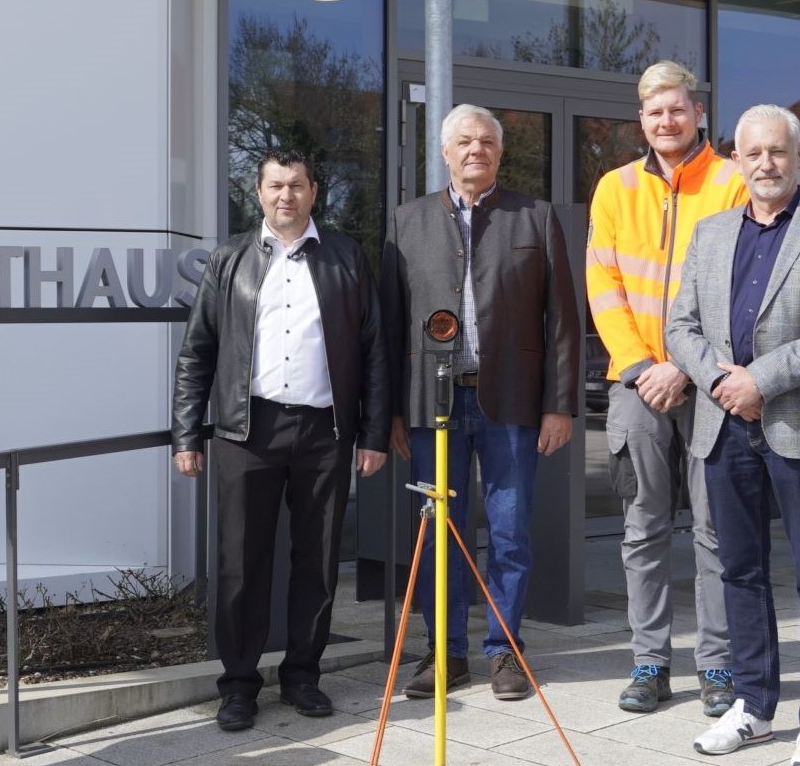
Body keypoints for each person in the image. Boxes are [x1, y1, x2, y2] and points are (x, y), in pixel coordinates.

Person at [666, 105, 800, 765]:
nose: (766, 163)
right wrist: (722, 383)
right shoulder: (711, 232)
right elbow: (680, 326)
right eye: (752, 153)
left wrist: (760, 381)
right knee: (740, 569)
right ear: (737, 160)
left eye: (778, 151)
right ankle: (752, 704)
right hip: (722, 425)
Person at [172, 151, 390, 731]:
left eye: (296, 185)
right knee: (240, 563)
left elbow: (373, 351)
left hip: (324, 431)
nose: (285, 196)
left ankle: (302, 676)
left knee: (317, 561)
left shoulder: (345, 257)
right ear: (259, 191)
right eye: (275, 185)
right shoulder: (229, 259)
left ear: (313, 191)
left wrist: (372, 433)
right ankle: (238, 685)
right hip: (247, 430)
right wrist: (186, 433)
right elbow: (197, 352)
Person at [381, 103, 581, 701]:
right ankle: (445, 653)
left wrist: (559, 404)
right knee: (438, 534)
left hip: (512, 403)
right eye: (464, 141)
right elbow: (389, 325)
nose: (476, 150)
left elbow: (562, 321)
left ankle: (505, 651)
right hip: (430, 406)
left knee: (511, 532)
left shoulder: (535, 217)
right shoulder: (408, 221)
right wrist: (391, 410)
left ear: (500, 152)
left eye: (487, 142)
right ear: (445, 152)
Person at [586, 61, 746, 716]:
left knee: (716, 530)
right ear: (642, 120)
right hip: (636, 384)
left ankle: (718, 666)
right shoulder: (614, 188)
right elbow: (603, 286)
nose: (667, 121)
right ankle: (649, 663)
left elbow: (735, 289)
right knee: (643, 528)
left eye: (677, 109)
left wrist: (686, 365)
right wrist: (639, 365)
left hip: (709, 383)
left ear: (698, 113)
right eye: (655, 112)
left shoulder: (732, 182)